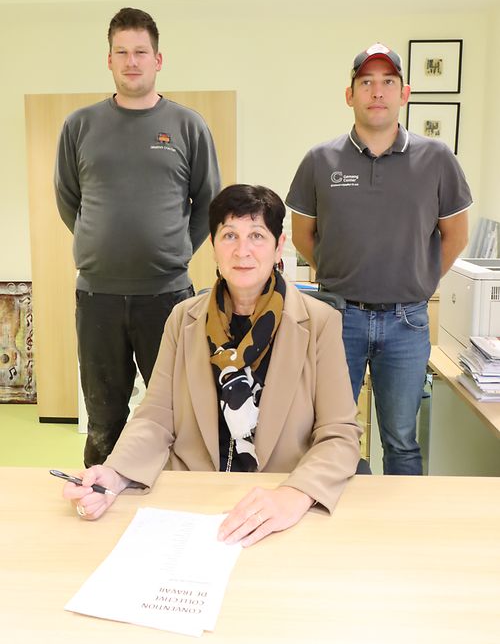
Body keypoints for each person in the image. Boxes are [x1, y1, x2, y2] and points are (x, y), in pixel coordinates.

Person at [61, 184, 362, 547]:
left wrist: (294, 495)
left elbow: (339, 434)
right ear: (214, 245)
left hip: (276, 500)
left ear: (278, 246)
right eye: (229, 235)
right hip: (194, 499)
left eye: (257, 236)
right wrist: (116, 472)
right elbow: (156, 417)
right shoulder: (183, 319)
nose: (242, 251)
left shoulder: (319, 323)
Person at [286, 43, 472, 475]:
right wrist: (340, 273)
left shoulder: (437, 158)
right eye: (366, 82)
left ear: (404, 94)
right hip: (338, 319)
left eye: (388, 82)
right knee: (330, 433)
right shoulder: (320, 160)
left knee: (401, 441)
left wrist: (420, 280)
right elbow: (301, 235)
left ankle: (398, 518)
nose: (377, 91)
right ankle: (339, 510)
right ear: (349, 95)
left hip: (407, 322)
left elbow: (456, 235)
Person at [54, 7, 221, 467]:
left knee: (180, 415)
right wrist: (98, 243)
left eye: (141, 52)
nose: (132, 61)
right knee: (104, 419)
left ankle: (176, 499)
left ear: (158, 60)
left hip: (167, 296)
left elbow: (209, 203)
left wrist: (175, 250)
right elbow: (68, 199)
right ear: (108, 60)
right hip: (98, 297)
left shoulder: (187, 126)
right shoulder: (80, 126)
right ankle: (101, 495)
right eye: (122, 52)